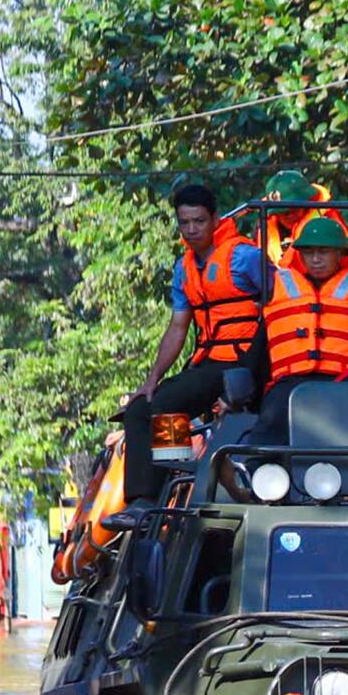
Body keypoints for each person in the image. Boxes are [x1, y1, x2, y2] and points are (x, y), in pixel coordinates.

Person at [117, 184, 268, 513]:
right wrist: (153, 378)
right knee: (143, 406)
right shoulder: (184, 268)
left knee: (170, 404)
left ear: (215, 219)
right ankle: (155, 487)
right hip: (209, 361)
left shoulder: (244, 256)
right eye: (184, 223)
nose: (191, 230)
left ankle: (166, 480)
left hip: (243, 361)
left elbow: (278, 305)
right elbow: (178, 326)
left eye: (198, 221)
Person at [247, 216, 348, 447]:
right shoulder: (277, 290)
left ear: (340, 254)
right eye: (308, 252)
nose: (316, 259)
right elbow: (261, 350)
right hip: (292, 382)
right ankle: (252, 476)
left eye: (324, 252)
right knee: (268, 425)